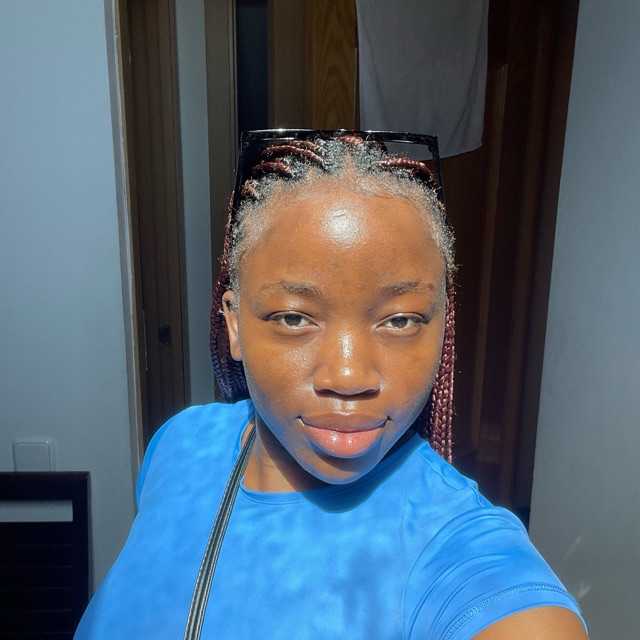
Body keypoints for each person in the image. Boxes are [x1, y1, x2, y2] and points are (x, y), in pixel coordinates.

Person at [75, 131, 588, 639]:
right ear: (233, 325)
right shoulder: (179, 442)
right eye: (294, 318)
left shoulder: (453, 543)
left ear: (442, 327)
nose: (349, 377)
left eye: (400, 320)